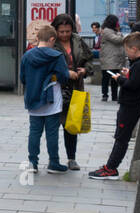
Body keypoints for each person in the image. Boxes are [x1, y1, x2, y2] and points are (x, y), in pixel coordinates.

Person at [90, 33, 140, 179]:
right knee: (121, 137)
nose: (126, 53)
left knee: (121, 138)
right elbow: (137, 80)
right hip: (132, 105)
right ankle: (110, 167)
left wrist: (120, 79)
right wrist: (129, 74)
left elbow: (132, 85)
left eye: (127, 50)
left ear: (134, 49)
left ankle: (111, 168)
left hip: (130, 106)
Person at [21, 24, 70, 175]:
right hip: (51, 99)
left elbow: (22, 78)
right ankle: (53, 163)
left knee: (34, 132)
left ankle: (32, 163)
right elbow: (64, 77)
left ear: (37, 38)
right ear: (52, 39)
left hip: (33, 98)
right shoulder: (56, 56)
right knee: (52, 132)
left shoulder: (27, 56)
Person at [51, 14, 93, 170]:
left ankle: (71, 158)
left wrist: (85, 70)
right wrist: (65, 73)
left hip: (75, 88)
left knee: (71, 126)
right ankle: (53, 159)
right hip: (56, 89)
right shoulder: (51, 42)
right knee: (53, 126)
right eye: (61, 31)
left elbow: (89, 59)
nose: (64, 35)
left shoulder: (77, 40)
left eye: (67, 31)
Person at [97, 15, 125, 103]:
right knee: (106, 78)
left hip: (115, 59)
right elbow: (117, 40)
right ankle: (105, 95)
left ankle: (114, 96)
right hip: (109, 59)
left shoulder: (113, 31)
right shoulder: (106, 31)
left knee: (114, 79)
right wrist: (120, 34)